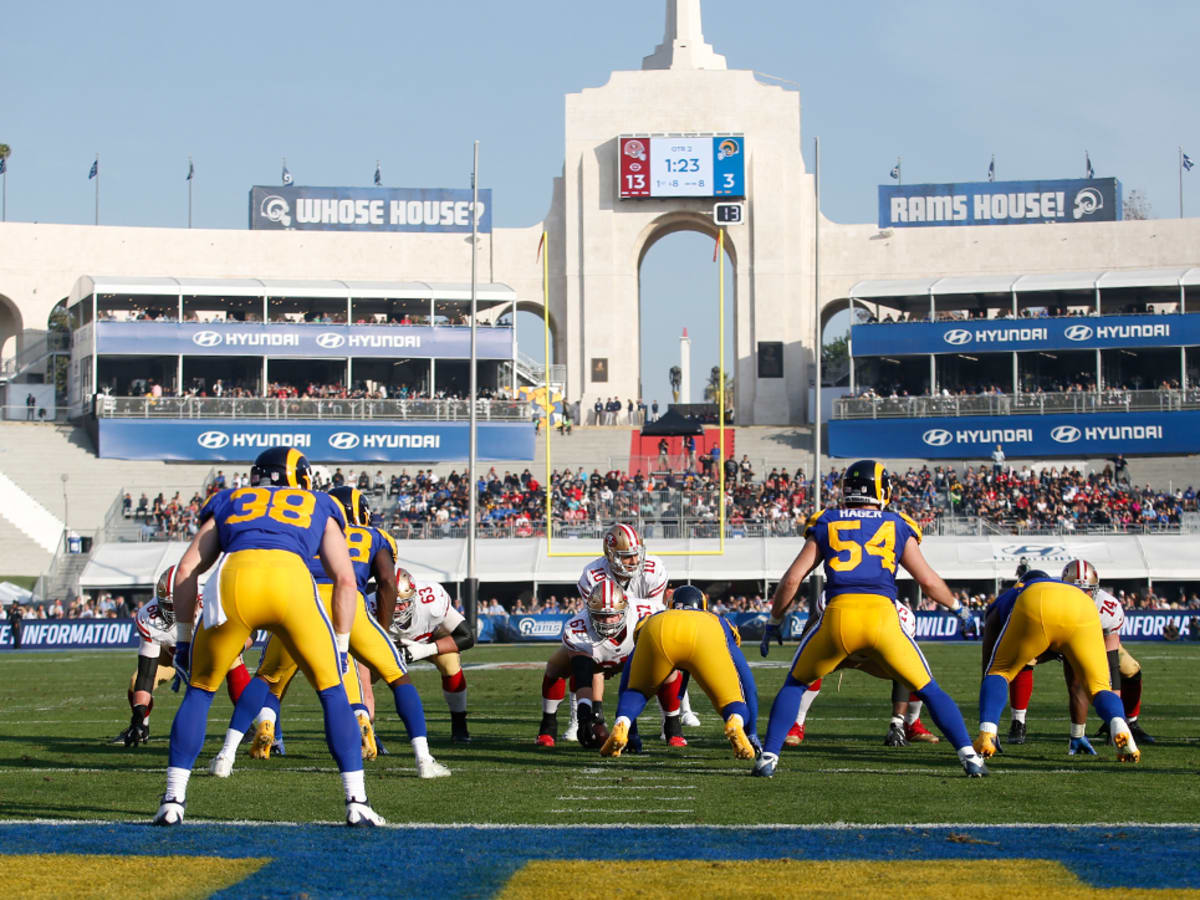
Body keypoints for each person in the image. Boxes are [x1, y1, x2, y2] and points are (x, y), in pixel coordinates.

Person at [152, 446, 384, 827]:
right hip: (290, 582)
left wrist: (182, 638)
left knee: (199, 691)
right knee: (332, 692)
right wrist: (341, 646)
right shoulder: (319, 502)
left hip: (234, 580)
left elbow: (186, 570)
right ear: (301, 478)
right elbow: (344, 578)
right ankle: (356, 802)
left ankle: (173, 800)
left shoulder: (230, 499)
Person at [753, 459, 988, 778]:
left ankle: (768, 757)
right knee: (929, 688)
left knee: (795, 684)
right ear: (883, 490)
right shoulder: (897, 523)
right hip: (883, 619)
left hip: (838, 617)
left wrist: (774, 621)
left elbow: (792, 579)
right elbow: (929, 581)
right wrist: (960, 610)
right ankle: (969, 756)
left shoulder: (827, 520)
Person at [208, 486, 449, 778]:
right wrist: (382, 631)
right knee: (398, 677)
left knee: (266, 678)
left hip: (302, 604)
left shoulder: (311, 527)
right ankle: (423, 760)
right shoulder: (375, 536)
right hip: (349, 606)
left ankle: (226, 754)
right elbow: (387, 580)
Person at [535, 523, 671, 747]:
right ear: (611, 555)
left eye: (636, 555)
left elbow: (653, 618)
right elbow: (598, 620)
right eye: (627, 556)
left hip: (639, 627)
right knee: (563, 664)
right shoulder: (592, 574)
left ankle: (671, 722)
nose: (635, 561)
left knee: (667, 659)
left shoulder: (654, 569)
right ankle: (569, 721)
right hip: (601, 631)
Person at [1006, 560, 1154, 750]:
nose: (1082, 595)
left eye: (1087, 590)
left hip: (1093, 642)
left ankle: (1130, 722)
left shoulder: (1107, 607)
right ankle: (1018, 721)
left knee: (1131, 669)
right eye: (1076, 589)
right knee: (1023, 660)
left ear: (1096, 588)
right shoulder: (1051, 598)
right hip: (1052, 639)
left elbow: (1112, 663)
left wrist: (1115, 718)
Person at [602, 586, 759, 761]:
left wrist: (631, 733)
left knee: (636, 691)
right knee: (732, 701)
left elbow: (627, 683)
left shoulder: (652, 618)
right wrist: (752, 733)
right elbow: (747, 684)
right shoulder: (716, 620)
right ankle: (735, 721)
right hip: (706, 633)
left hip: (659, 630)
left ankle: (622, 722)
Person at [113, 564, 252, 748]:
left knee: (233, 656)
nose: (173, 611)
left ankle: (247, 726)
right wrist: (137, 718)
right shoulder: (149, 618)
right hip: (172, 657)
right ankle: (141, 728)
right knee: (136, 681)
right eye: (168, 605)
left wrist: (235, 647)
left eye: (178, 605)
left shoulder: (212, 602)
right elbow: (147, 675)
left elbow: (248, 633)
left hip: (207, 652)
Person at [388, 567, 477, 743]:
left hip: (430, 639)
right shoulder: (371, 605)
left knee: (450, 662)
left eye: (403, 603)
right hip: (390, 647)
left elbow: (467, 637)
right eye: (393, 603)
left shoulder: (432, 599)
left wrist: (424, 650)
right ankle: (367, 729)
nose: (398, 609)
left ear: (414, 596)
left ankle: (459, 724)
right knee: (364, 676)